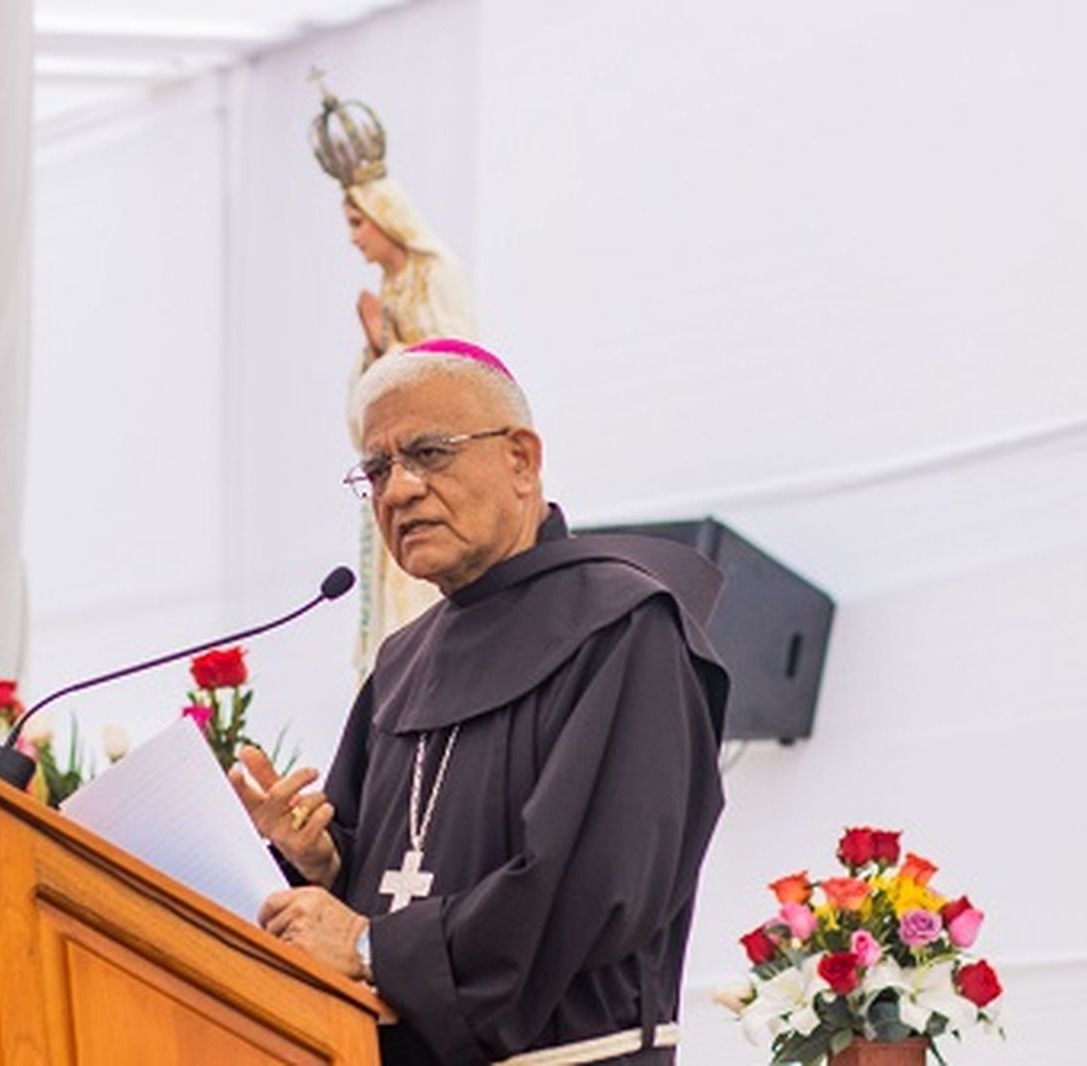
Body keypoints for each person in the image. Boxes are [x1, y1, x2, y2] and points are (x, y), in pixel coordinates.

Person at [232, 338, 730, 1065]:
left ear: (521, 461)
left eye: (429, 453)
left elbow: (591, 890)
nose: (398, 491)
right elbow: (392, 871)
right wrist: (320, 862)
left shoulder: (626, 629)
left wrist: (372, 946)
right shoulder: (402, 664)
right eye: (377, 469)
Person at [310, 78, 480, 676]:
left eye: (358, 222)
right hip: (394, 469)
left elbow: (458, 371)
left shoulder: (437, 273)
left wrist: (386, 343)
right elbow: (375, 392)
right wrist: (374, 351)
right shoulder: (388, 288)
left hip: (436, 469)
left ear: (387, 217)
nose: (353, 238)